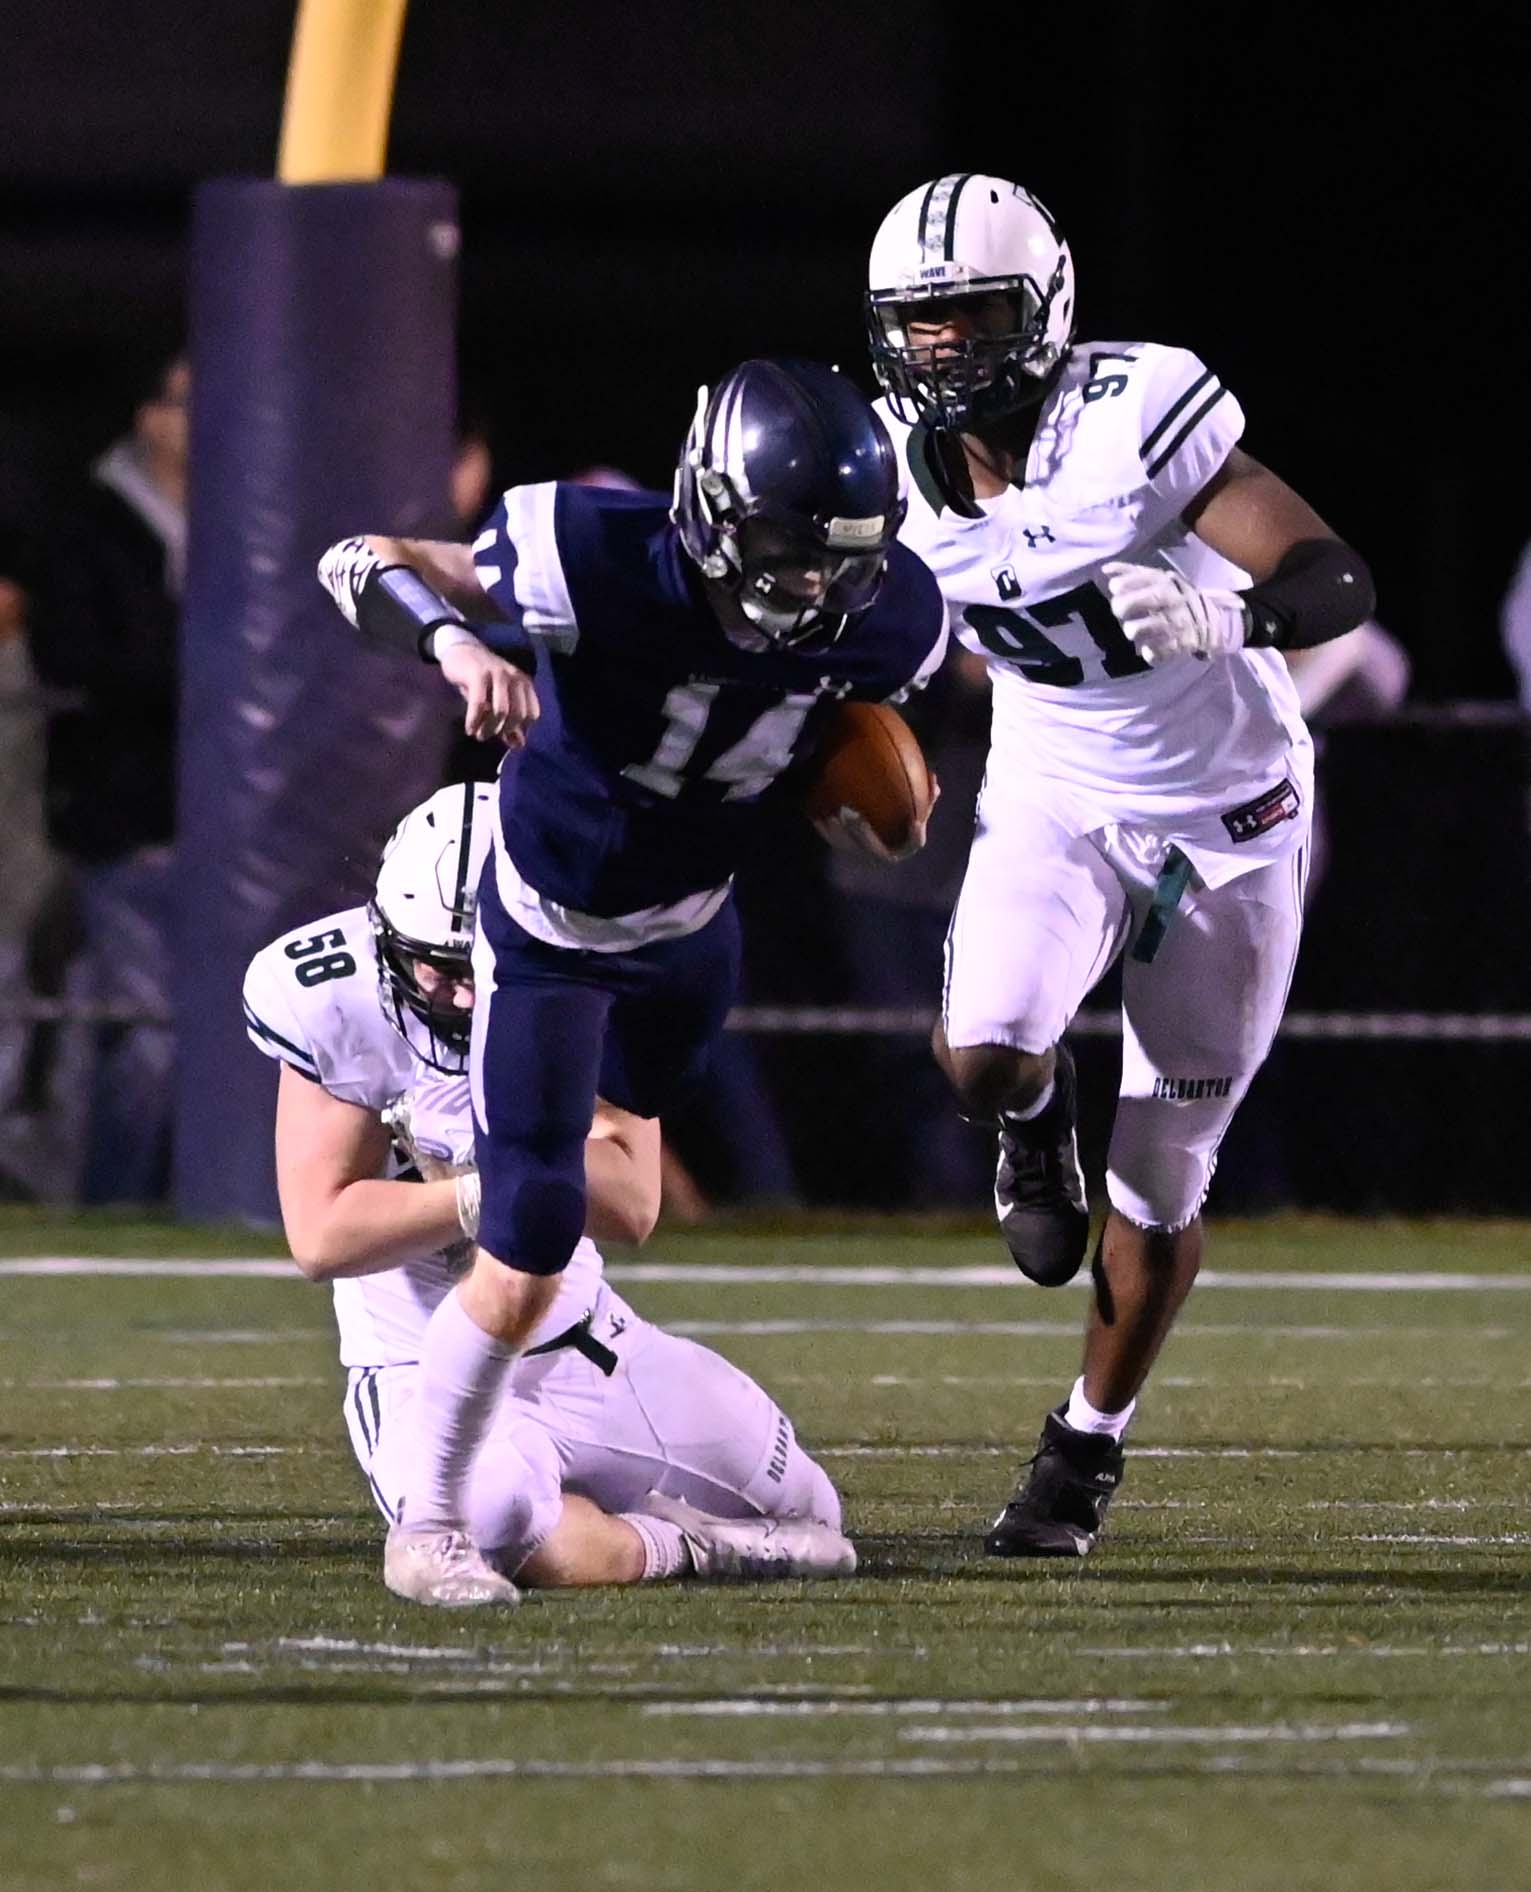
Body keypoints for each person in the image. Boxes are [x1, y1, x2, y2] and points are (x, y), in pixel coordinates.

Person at [317, 358, 946, 1604]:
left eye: (835, 556)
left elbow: (851, 720)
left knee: (635, 1199)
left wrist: (867, 790)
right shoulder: (583, 552)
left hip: (695, 929)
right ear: (708, 507)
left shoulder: (890, 614)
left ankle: (603, 1403)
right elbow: (360, 558)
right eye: (781, 547)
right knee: (532, 1221)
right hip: (549, 934)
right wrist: (454, 644)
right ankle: (432, 1524)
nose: (807, 583)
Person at [863, 175, 1374, 1556]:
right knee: (979, 1054)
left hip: (1229, 825)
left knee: (1161, 1181)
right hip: (1053, 797)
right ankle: (1036, 1120)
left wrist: (1228, 614)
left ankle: (1081, 1454)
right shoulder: (879, 474)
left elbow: (1335, 579)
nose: (938, 353)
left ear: (1040, 310)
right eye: (913, 326)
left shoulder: (1132, 412)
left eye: (965, 316)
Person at [243, 781, 855, 1595]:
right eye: (433, 966)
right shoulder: (334, 995)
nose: (457, 995)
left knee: (812, 1509)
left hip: (592, 1346)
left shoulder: (587, 968)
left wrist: (475, 1175)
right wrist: (491, 1189)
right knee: (494, 1526)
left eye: (475, 969)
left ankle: (680, 1529)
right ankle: (689, 1550)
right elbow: (323, 1236)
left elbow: (631, 1202)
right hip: (418, 1366)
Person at [27, 355, 189, 1203]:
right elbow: (81, 660)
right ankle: (118, 1206)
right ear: (150, 417)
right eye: (189, 403)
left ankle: (199, 1200)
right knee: (143, 1039)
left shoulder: (249, 518)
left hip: (227, 835)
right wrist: (199, 671)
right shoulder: (91, 527)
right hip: (126, 822)